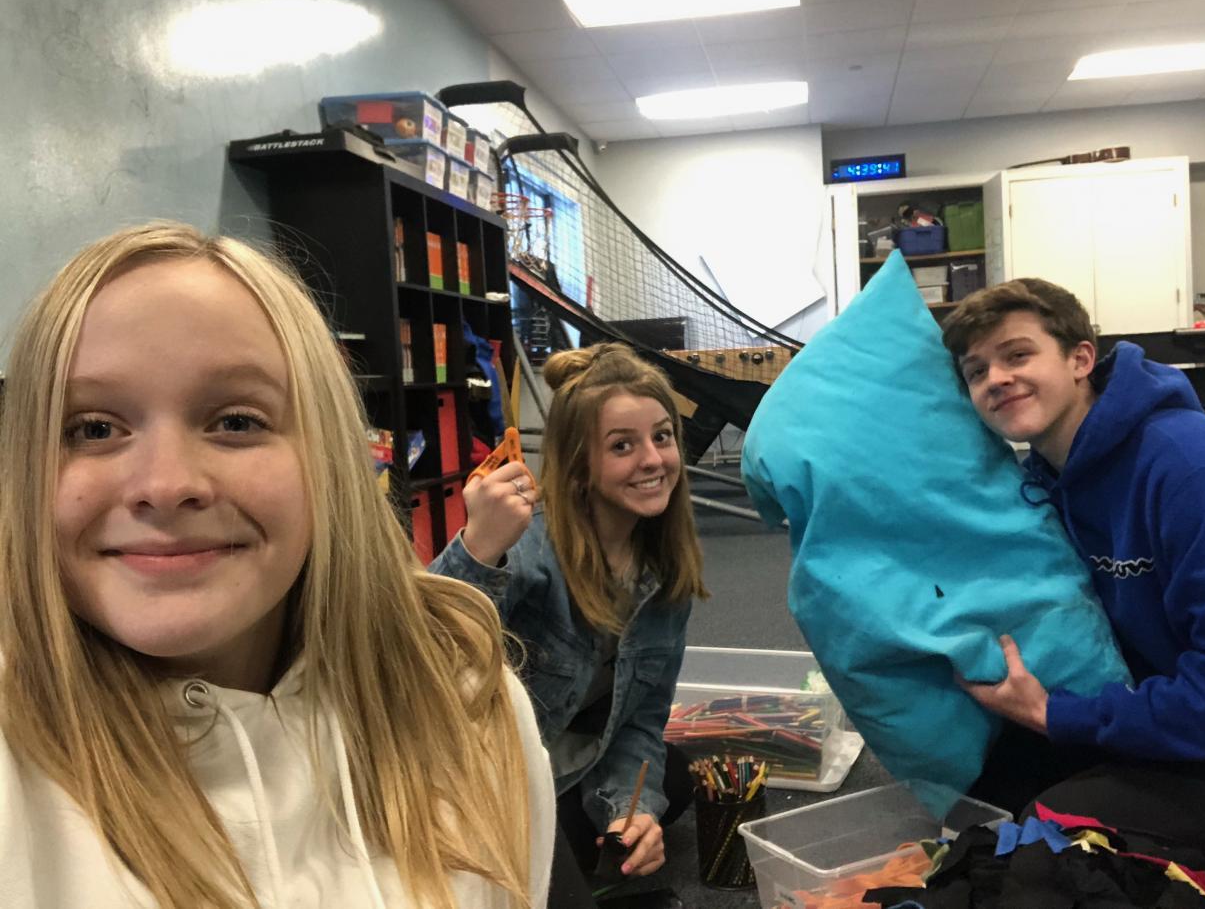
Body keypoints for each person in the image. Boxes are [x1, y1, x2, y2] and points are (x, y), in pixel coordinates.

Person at [0, 222, 554, 909]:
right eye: (93, 429)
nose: (166, 485)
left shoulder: (465, 698)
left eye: (236, 421)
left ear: (327, 457)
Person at [942, 278, 1205, 889]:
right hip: (1172, 705)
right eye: (977, 370)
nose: (996, 379)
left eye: (1017, 354)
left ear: (1080, 359)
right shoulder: (1048, 476)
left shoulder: (1193, 472)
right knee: (983, 801)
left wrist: (1052, 714)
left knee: (1048, 837)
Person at [430, 342, 705, 882]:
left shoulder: (665, 571)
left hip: (567, 764)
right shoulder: (529, 550)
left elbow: (640, 720)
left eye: (662, 436)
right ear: (579, 465)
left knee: (670, 779)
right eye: (622, 445)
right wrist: (478, 550)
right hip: (477, 778)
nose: (653, 460)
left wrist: (630, 810)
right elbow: (413, 657)